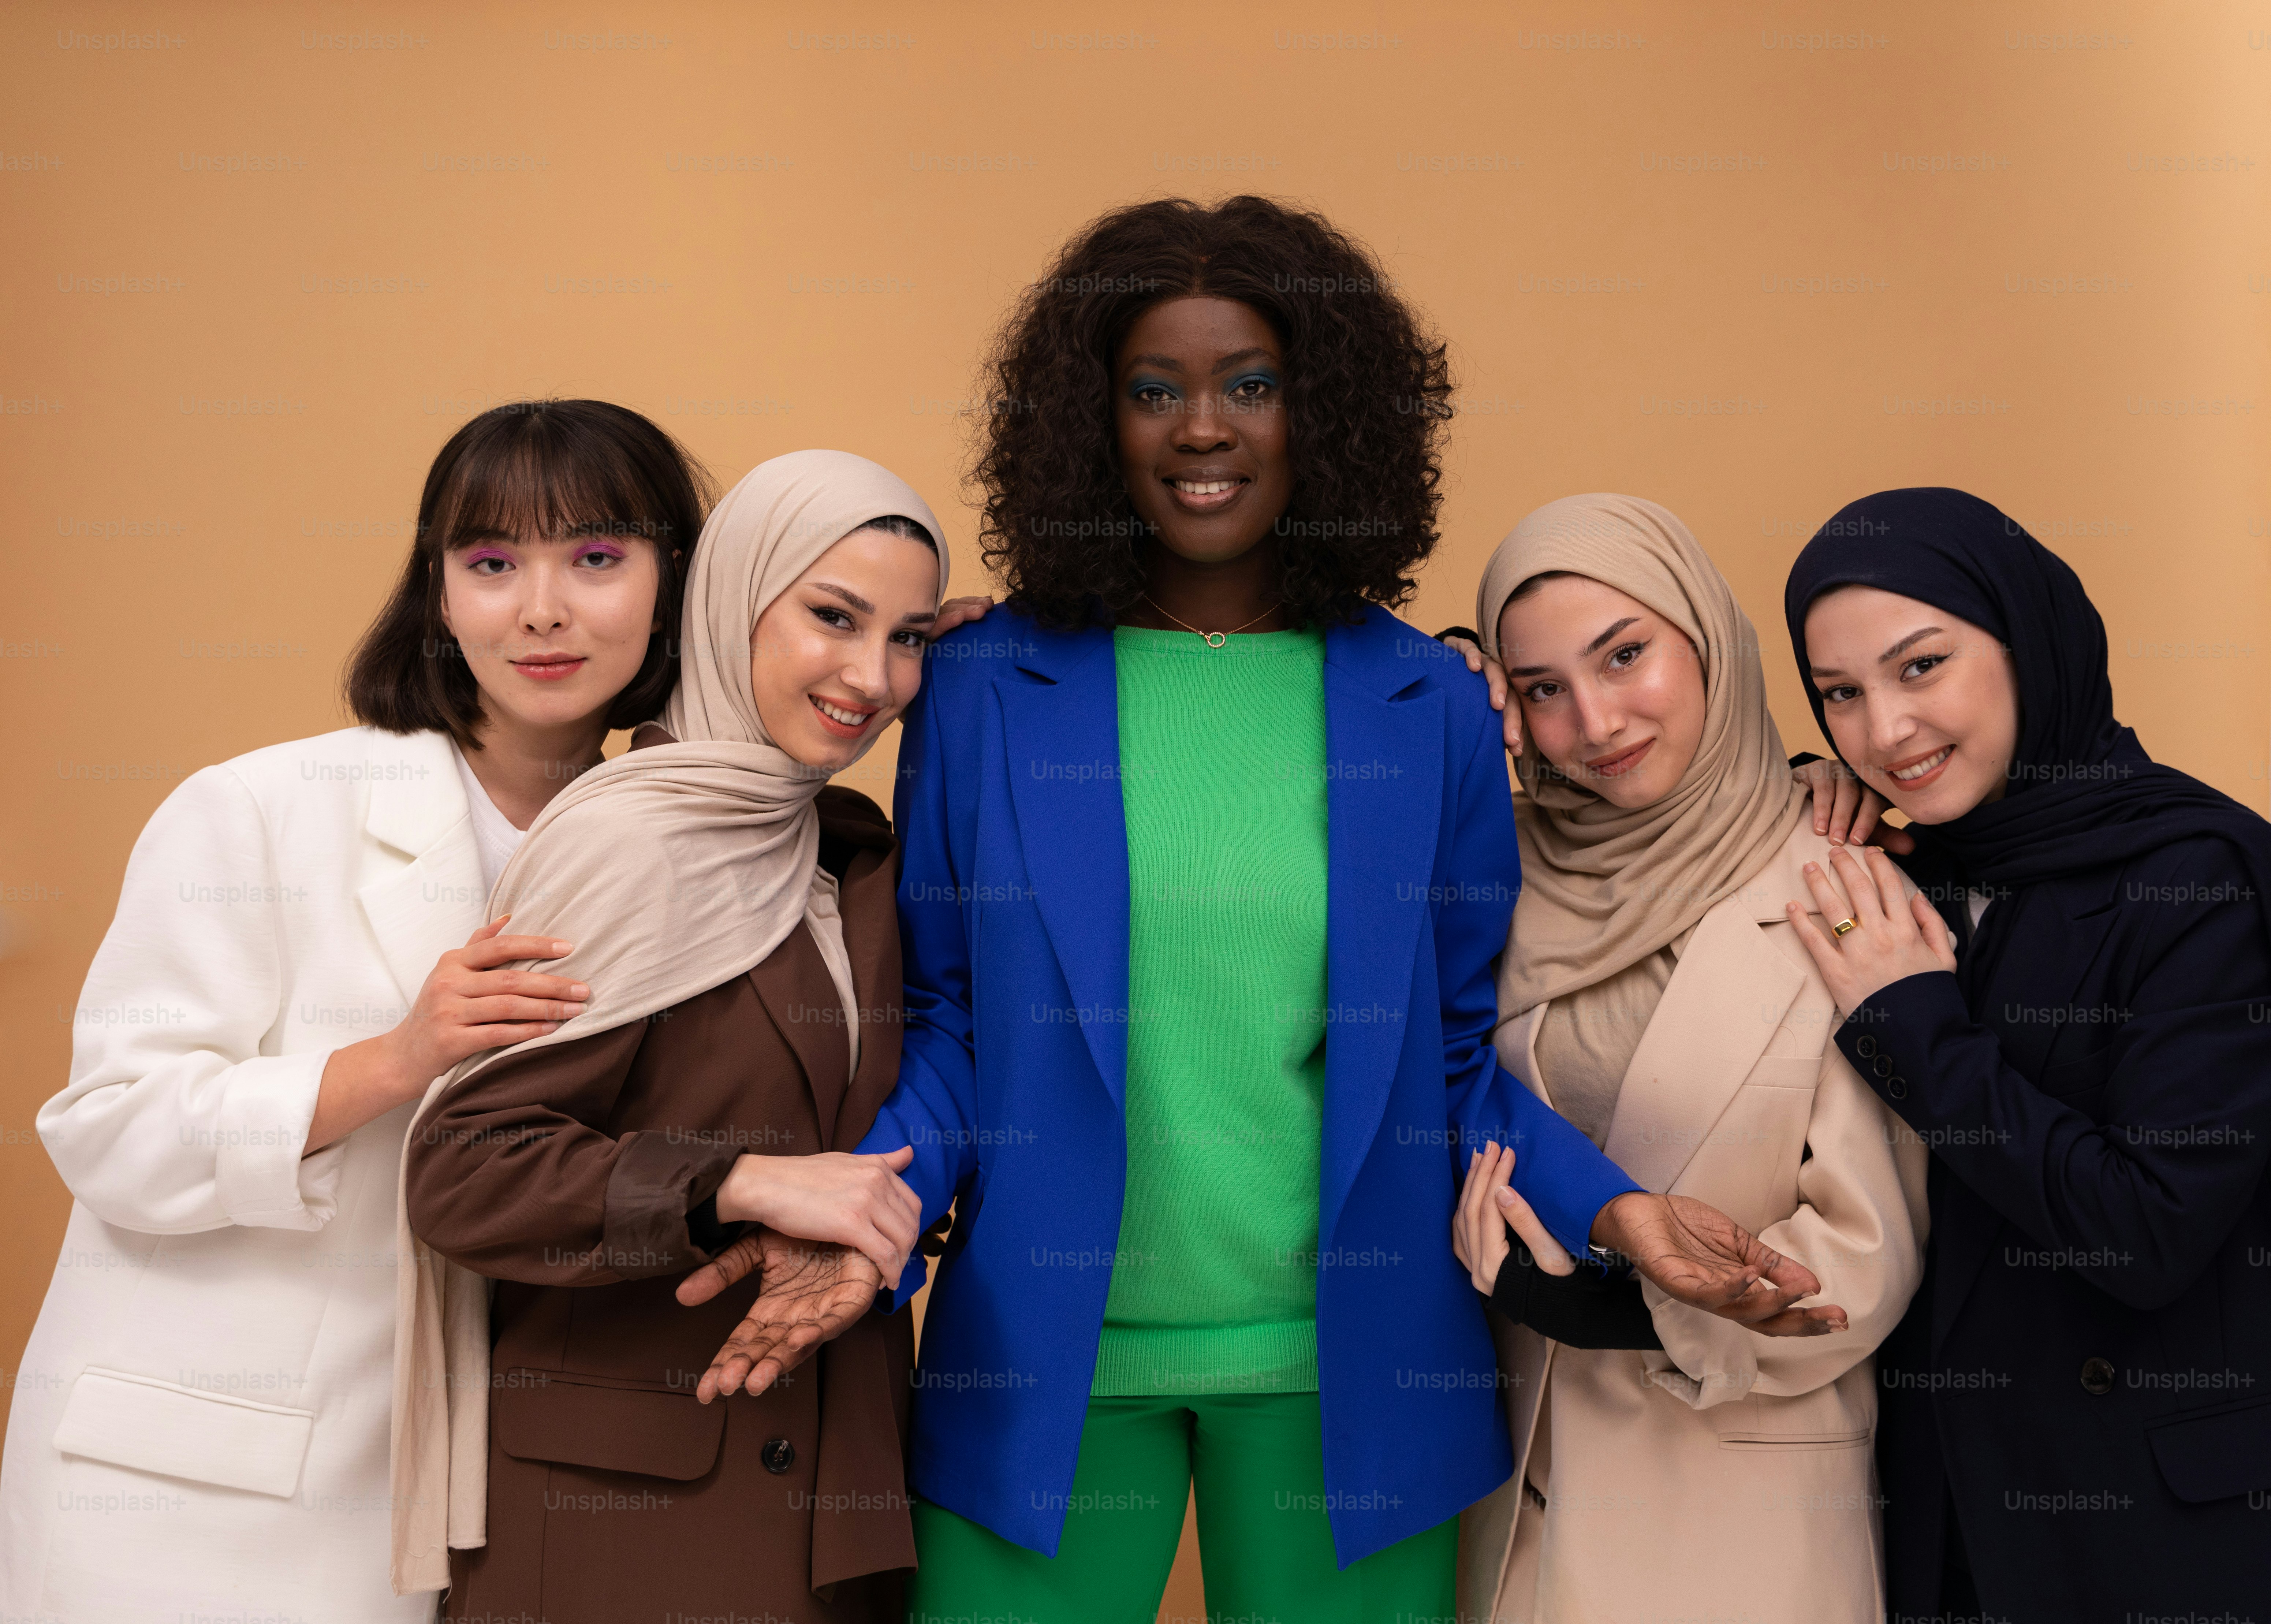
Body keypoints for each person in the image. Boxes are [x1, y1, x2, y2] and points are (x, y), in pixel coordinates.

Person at [828, 197, 1835, 1623]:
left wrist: (1614, 1210)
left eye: (1252, 384)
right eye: (1153, 390)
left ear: (1327, 410)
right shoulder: (983, 684)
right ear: (1090, 421)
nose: (1203, 429)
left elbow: (1447, 1059)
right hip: (1043, 1368)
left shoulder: (1423, 700)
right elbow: (948, 1022)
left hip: (1354, 1375)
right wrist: (863, 1212)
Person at [0, 400, 710, 1622]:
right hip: (195, 1492)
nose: (541, 608)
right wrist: (395, 1058)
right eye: (491, 564)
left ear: (675, 585)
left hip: (464, 1501)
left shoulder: (676, 848)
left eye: (596, 557)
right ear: (438, 596)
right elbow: (108, 1128)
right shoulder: (261, 810)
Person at [397, 451, 952, 1622]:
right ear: (732, 601)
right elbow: (464, 1168)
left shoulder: (843, 850)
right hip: (619, 1522)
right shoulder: (629, 841)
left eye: (909, 637)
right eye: (832, 617)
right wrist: (738, 1184)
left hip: (836, 1512)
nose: (872, 675)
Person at [1779, 487, 2271, 1624]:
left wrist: (1913, 1023)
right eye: (1839, 695)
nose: (1882, 732)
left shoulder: (2198, 874)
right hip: (1943, 1519)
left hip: (2149, 1533)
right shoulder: (1903, 865)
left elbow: (2145, 1229)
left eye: (1920, 667)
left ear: (2026, 640)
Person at [1438, 494, 1926, 1623]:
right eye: (1542, 686)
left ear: (1706, 636)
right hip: (1514, 1505)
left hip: (1737, 1517)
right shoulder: (1487, 872)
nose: (1595, 719)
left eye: (1624, 655)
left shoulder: (1844, 883)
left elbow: (1868, 1249)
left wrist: (1615, 1306)